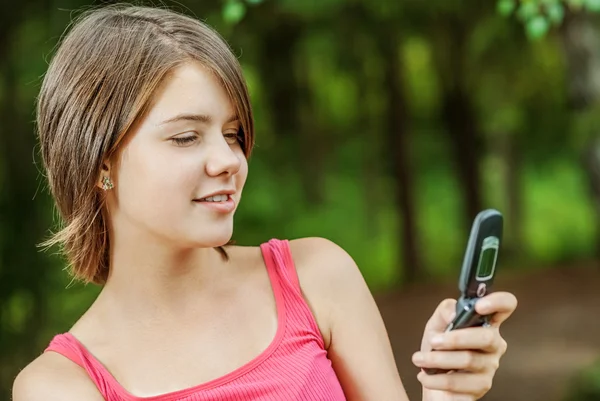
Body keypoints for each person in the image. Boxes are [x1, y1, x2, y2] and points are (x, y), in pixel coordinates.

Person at [12, 4, 518, 401]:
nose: (228, 160)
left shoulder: (319, 277)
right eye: (187, 137)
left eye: (233, 134)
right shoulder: (60, 386)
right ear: (100, 161)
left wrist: (443, 393)